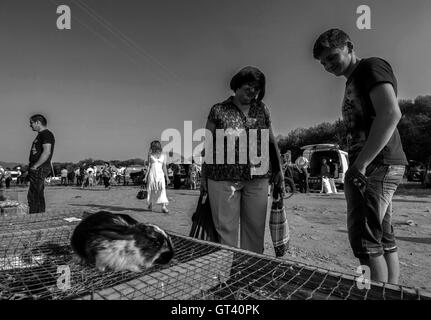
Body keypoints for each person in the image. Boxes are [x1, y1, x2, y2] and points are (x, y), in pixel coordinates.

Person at [313, 28, 408, 284]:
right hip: (379, 164)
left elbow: (390, 113)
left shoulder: (370, 68)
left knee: (365, 240)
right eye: (323, 63)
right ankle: (389, 291)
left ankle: (376, 293)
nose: (328, 66)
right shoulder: (353, 79)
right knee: (382, 237)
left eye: (332, 57)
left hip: (376, 164)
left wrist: (360, 164)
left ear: (349, 46)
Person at [200, 66, 284, 254]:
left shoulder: (262, 109)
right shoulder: (219, 110)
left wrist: (279, 170)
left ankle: (250, 272)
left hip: (258, 177)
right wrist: (203, 177)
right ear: (237, 85)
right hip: (222, 178)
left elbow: (271, 141)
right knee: (225, 230)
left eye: (257, 88)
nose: (252, 91)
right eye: (249, 86)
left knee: (255, 230)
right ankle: (225, 274)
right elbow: (208, 144)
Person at [27, 114, 55, 214]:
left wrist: (35, 166)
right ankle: (37, 214)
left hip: (40, 168)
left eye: (31, 123)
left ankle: (36, 216)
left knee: (35, 194)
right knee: (35, 193)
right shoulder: (41, 135)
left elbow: (47, 152)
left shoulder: (46, 134)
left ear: (38, 122)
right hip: (38, 167)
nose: (30, 125)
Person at [144, 140, 170, 213]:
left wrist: (167, 177)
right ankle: (150, 204)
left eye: (152, 146)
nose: (151, 147)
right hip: (152, 174)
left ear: (155, 146)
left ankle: (163, 206)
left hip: (160, 174)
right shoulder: (150, 154)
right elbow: (149, 166)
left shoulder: (164, 155)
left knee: (162, 189)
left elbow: (164, 167)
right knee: (151, 189)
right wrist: (145, 177)